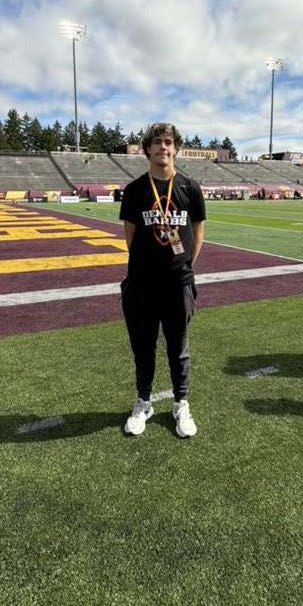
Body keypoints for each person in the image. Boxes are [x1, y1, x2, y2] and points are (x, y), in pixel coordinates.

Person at [119, 121, 206, 438]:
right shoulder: (135, 190)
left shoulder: (190, 188)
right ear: (147, 149)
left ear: (175, 148)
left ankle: (181, 403)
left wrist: (182, 267)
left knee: (178, 349)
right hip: (141, 284)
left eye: (168, 142)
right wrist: (148, 265)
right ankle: (144, 402)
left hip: (177, 284)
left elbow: (197, 234)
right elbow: (130, 236)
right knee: (143, 349)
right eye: (156, 142)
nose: (162, 147)